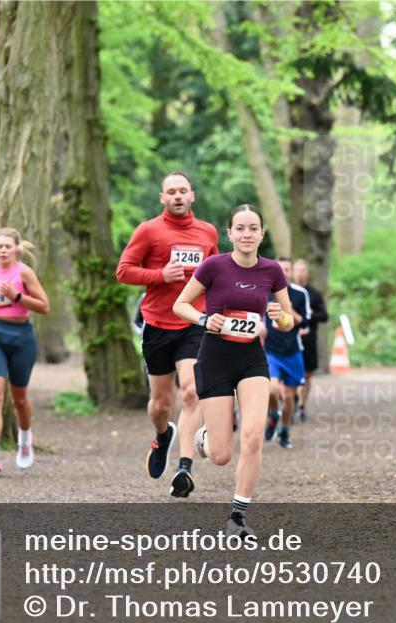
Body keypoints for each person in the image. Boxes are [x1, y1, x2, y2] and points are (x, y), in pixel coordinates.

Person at [173, 204, 295, 538]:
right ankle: (204, 438)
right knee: (221, 455)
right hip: (215, 357)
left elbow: (289, 320)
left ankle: (237, 517)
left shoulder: (272, 270)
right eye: (240, 228)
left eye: (253, 228)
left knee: (253, 437)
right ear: (230, 233)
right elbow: (180, 304)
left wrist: (280, 317)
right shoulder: (213, 266)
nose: (246, 234)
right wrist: (204, 319)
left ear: (262, 233)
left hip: (252, 360)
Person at [116, 172, 218, 498]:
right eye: (171, 191)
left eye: (182, 191)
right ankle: (162, 436)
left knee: (191, 392)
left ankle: (184, 468)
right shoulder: (148, 231)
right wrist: (160, 275)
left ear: (192, 195)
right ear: (162, 197)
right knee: (161, 404)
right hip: (158, 324)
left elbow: (215, 275)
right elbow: (123, 271)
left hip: (193, 322)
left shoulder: (207, 232)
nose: (177, 196)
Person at [0, 228, 50, 474]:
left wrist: (16, 296)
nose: (3, 250)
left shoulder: (24, 272)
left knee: (19, 398)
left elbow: (44, 306)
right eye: (0, 246)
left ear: (16, 248)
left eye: (8, 246)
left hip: (22, 337)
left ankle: (25, 440)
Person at [263, 257, 310, 449]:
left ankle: (285, 430)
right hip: (271, 351)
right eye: (280, 268)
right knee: (271, 390)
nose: (283, 272)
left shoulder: (300, 294)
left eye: (287, 269)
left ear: (291, 272)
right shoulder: (265, 291)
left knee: (289, 397)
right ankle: (274, 413)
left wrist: (288, 310)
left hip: (292, 351)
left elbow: (306, 323)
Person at [292, 258, 328, 423]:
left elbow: (324, 316)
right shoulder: (287, 293)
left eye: (302, 270)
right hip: (291, 339)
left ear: (307, 273)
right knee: (291, 373)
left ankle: (302, 405)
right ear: (293, 273)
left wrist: (310, 314)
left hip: (308, 339)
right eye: (297, 270)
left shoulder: (314, 294)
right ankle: (292, 401)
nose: (300, 273)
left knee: (307, 374)